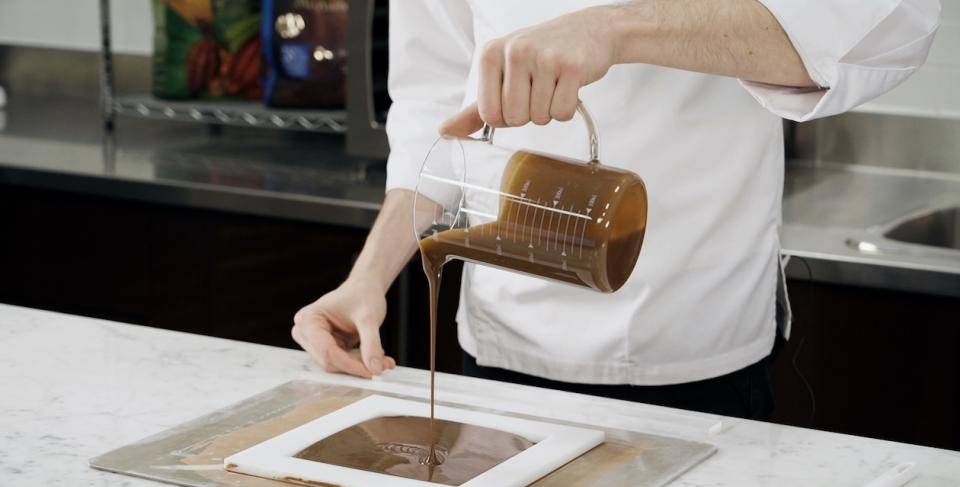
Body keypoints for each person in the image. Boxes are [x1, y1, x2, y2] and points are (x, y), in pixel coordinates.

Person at [292, 0, 940, 419]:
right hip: (504, 354)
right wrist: (367, 279)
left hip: (695, 347)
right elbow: (435, 112)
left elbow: (884, 25)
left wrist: (614, 29)